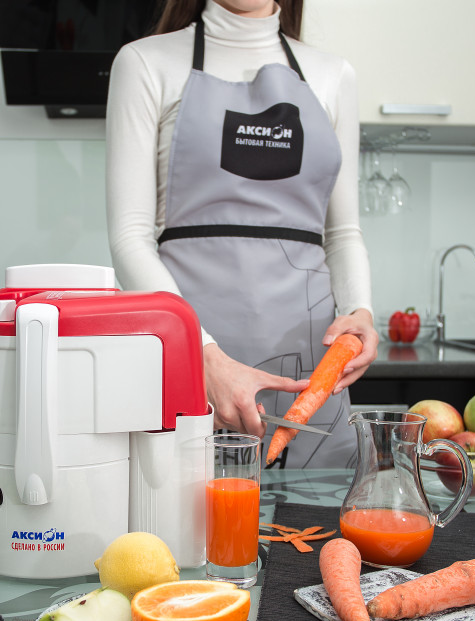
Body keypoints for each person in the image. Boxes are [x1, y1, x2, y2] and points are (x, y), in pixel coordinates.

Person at [105, 0, 378, 468]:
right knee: (185, 509)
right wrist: (201, 355)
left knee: (311, 511)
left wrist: (360, 312)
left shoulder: (334, 75)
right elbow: (130, 237)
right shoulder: (145, 62)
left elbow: (342, 233)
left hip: (311, 374)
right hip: (188, 361)